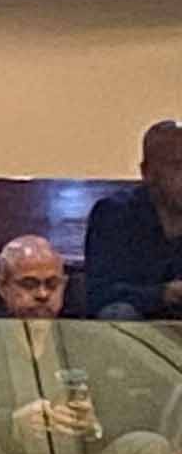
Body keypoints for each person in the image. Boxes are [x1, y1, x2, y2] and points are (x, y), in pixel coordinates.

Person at [0, 236, 174, 454]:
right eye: (28, 284)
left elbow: (132, 409)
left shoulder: (89, 340)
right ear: (1, 286)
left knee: (149, 446)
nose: (42, 294)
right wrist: (11, 424)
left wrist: (94, 424)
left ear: (64, 285)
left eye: (52, 284)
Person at [86, 120, 182, 320]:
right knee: (118, 313)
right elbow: (99, 294)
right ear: (147, 172)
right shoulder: (114, 215)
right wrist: (164, 294)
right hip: (137, 327)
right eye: (178, 166)